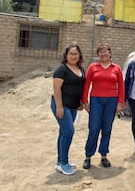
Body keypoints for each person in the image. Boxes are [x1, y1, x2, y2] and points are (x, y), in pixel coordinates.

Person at [81, 43, 125, 169]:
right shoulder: (93, 67)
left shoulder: (116, 68)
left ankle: (104, 155)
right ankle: (88, 156)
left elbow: (121, 86)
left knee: (107, 129)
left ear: (110, 53)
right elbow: (86, 84)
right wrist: (85, 101)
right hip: (96, 100)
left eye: (106, 51)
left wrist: (120, 103)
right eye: (101, 52)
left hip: (112, 101)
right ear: (98, 54)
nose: (103, 54)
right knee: (94, 128)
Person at [51, 42, 86, 175]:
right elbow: (56, 88)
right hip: (62, 105)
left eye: (75, 53)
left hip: (73, 106)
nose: (73, 56)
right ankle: (64, 163)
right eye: (70, 53)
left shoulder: (81, 69)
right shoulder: (61, 69)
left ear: (79, 55)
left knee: (63, 133)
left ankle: (60, 162)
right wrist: (59, 107)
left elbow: (80, 87)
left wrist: (81, 102)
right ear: (66, 55)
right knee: (69, 132)